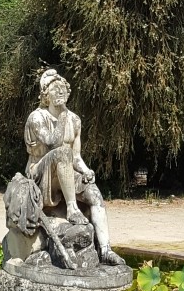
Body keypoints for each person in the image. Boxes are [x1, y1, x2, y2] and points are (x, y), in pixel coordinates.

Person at [23, 69, 123, 266]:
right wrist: (60, 117)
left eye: (63, 88)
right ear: (45, 95)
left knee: (94, 194)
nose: (60, 92)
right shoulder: (37, 118)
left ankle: (105, 249)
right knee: (61, 152)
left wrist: (86, 171)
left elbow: (75, 156)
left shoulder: (75, 120)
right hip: (40, 175)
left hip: (66, 172)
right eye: (54, 89)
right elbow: (52, 142)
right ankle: (71, 208)